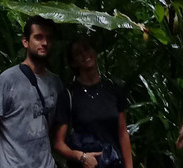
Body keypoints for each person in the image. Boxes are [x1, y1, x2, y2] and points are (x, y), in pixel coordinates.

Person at [0, 15, 68, 168]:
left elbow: (55, 130)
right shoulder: (7, 80)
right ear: (25, 42)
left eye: (48, 38)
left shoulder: (55, 83)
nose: (44, 43)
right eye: (38, 37)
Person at [52, 38, 134, 168]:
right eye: (78, 53)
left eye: (87, 49)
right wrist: (81, 157)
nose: (85, 55)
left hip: (114, 163)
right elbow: (58, 143)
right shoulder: (68, 95)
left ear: (94, 52)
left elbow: (123, 133)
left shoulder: (113, 89)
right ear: (73, 63)